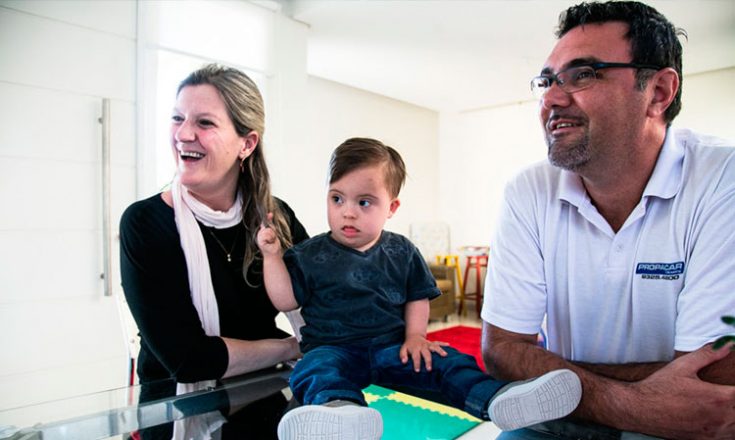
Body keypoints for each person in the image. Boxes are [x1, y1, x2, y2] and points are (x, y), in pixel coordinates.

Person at [481, 2, 735, 439]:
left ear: (658, 92)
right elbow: (501, 349)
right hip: (567, 420)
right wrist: (634, 403)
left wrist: (554, 376)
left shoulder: (721, 179)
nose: (551, 99)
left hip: (684, 428)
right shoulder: (528, 190)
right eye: (547, 80)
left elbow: (713, 381)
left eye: (583, 74)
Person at [257, 137, 582, 439]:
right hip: (333, 347)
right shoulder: (308, 253)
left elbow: (416, 297)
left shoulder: (402, 250)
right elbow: (286, 300)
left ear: (392, 208)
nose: (348, 211)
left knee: (447, 362)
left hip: (393, 347)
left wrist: (416, 337)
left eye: (364, 202)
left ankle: (498, 398)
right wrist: (272, 257)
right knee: (315, 369)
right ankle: (341, 413)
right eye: (337, 198)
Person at [120, 64, 308, 439]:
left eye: (204, 123)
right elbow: (189, 360)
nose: (183, 134)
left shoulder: (277, 218)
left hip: (262, 396)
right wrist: (289, 346)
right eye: (177, 118)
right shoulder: (145, 224)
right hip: (174, 412)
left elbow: (321, 302)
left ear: (247, 143)